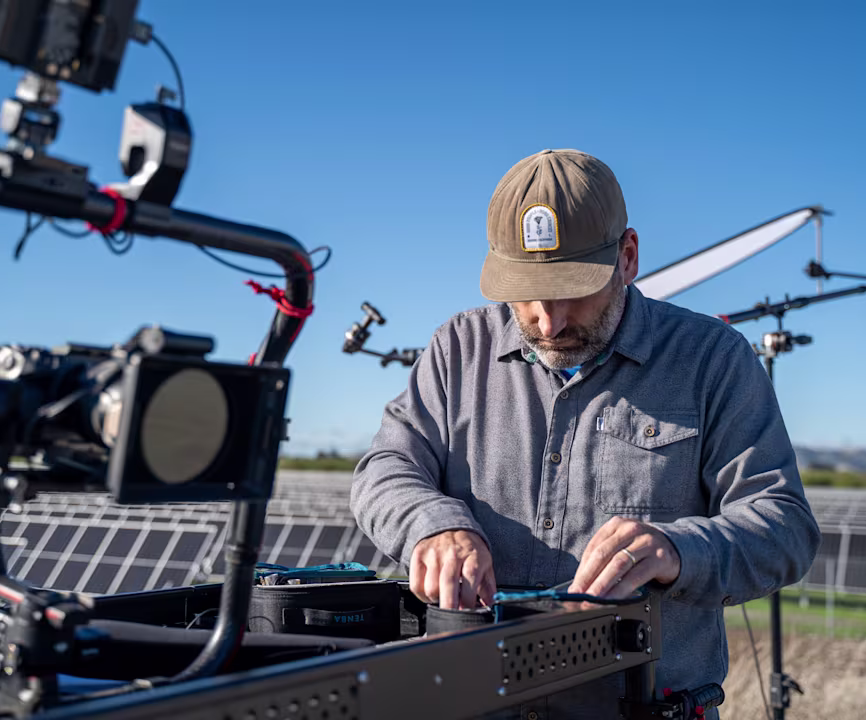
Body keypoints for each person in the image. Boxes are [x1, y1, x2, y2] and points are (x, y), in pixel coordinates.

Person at [350, 148, 821, 719]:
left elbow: (784, 526)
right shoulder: (458, 350)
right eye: (525, 296)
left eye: (573, 291)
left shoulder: (712, 361)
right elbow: (385, 470)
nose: (549, 323)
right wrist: (433, 526)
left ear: (627, 257)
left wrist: (678, 550)